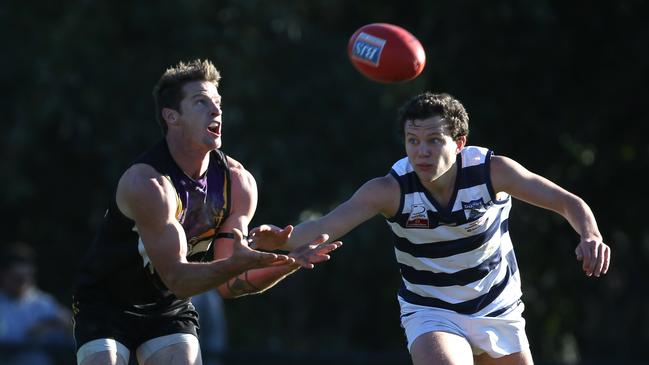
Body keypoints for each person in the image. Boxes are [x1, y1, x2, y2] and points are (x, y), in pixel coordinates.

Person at [250, 92, 611, 365]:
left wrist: (589, 234)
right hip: (431, 310)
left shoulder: (492, 172)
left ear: (459, 143)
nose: (421, 152)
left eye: (434, 141)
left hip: (498, 308)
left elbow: (568, 202)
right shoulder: (391, 189)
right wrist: (283, 240)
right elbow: (327, 225)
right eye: (413, 141)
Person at [71, 59, 341, 365]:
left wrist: (285, 263)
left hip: (167, 307)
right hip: (106, 303)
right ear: (172, 117)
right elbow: (179, 278)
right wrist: (240, 263)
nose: (216, 111)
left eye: (217, 103)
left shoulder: (238, 182)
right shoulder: (147, 184)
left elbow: (228, 284)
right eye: (201, 102)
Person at [0, 241, 73, 365]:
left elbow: (70, 327)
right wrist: (31, 334)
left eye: (26, 277)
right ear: (3, 274)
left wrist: (57, 325)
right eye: (17, 278)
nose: (22, 283)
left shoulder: (44, 302)